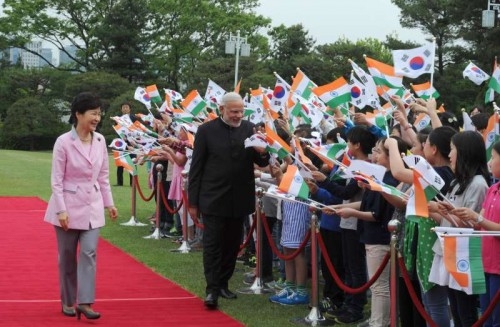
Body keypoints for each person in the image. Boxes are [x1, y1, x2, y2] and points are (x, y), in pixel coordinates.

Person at [187, 92, 270, 309]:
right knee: (213, 245)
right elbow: (196, 168)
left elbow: (261, 161)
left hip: (239, 198)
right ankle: (212, 289)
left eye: (241, 111)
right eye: (234, 111)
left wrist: (263, 152)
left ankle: (223, 283)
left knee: (232, 245)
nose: (238, 115)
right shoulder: (206, 131)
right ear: (221, 109)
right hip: (212, 197)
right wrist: (193, 203)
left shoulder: (250, 129)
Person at [44, 92, 118, 320]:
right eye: (93, 113)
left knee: (89, 253)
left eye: (99, 113)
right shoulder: (63, 142)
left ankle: (85, 302)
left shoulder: (100, 140)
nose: (97, 118)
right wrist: (61, 210)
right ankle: (68, 300)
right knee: (67, 256)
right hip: (66, 206)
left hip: (92, 207)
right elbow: (56, 180)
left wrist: (109, 203)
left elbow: (104, 176)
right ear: (78, 114)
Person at [429, 131, 490, 327]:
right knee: (455, 307)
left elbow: (471, 224)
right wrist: (431, 209)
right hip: (450, 250)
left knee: (466, 311)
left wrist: (448, 212)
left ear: (464, 152)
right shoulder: (457, 182)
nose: (450, 155)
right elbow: (451, 221)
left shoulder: (479, 184)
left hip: (465, 254)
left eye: (453, 149)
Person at [452, 140, 500, 327]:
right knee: (486, 317)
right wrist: (452, 212)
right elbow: (478, 223)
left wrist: (478, 219)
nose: (490, 161)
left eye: (494, 157)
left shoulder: (483, 185)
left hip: (498, 267)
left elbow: (484, 222)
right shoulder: (493, 190)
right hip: (485, 264)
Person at [116, 102, 135, 186]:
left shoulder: (133, 118)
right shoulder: (118, 119)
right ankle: (119, 183)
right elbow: (117, 129)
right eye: (123, 107)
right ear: (121, 109)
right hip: (121, 143)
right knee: (120, 163)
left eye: (127, 107)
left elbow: (137, 129)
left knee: (132, 162)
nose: (125, 109)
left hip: (132, 143)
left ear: (130, 109)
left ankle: (133, 182)